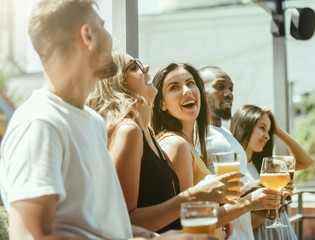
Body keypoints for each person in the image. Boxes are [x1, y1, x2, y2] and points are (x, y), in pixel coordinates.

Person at [0, 1, 217, 239]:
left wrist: (159, 238)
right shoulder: (40, 122)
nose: (110, 36)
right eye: (103, 26)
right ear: (88, 36)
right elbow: (32, 236)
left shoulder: (92, 122)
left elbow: (102, 226)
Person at [87, 52, 242, 234]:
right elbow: (124, 221)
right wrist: (196, 196)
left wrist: (213, 214)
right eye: (134, 67)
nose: (146, 68)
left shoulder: (149, 133)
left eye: (191, 83)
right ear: (117, 82)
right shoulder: (129, 131)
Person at [151, 63, 282, 240]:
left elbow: (197, 209)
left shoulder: (185, 143)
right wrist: (247, 203)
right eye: (174, 87)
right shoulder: (176, 145)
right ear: (162, 103)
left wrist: (220, 214)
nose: (187, 90)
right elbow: (186, 219)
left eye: (190, 83)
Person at [230, 105, 313, 240]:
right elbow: (245, 225)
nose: (267, 136)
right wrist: (275, 201)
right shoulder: (232, 168)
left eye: (269, 131)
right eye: (262, 128)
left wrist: (278, 130)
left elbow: (306, 161)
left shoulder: (266, 166)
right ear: (244, 126)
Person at [198, 66, 255, 240]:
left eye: (231, 88)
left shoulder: (225, 131)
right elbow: (197, 190)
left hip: (242, 233)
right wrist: (248, 191)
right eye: (220, 86)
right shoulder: (196, 132)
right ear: (200, 90)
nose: (229, 93)